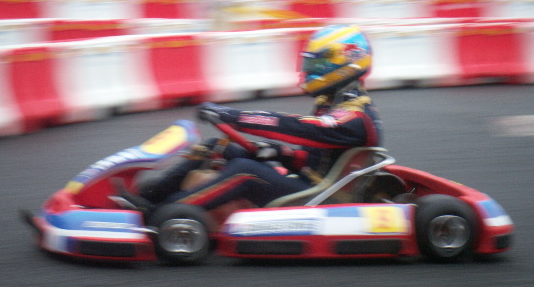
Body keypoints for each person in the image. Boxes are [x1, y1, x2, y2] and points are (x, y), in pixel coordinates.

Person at [120, 24, 383, 214]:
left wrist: (234, 117)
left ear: (346, 62)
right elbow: (317, 158)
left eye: (320, 64)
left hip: (324, 198)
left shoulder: (357, 118)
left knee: (245, 172)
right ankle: (147, 197)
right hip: (311, 182)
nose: (311, 70)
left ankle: (165, 215)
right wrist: (279, 153)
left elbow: (297, 127)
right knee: (217, 147)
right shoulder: (333, 106)